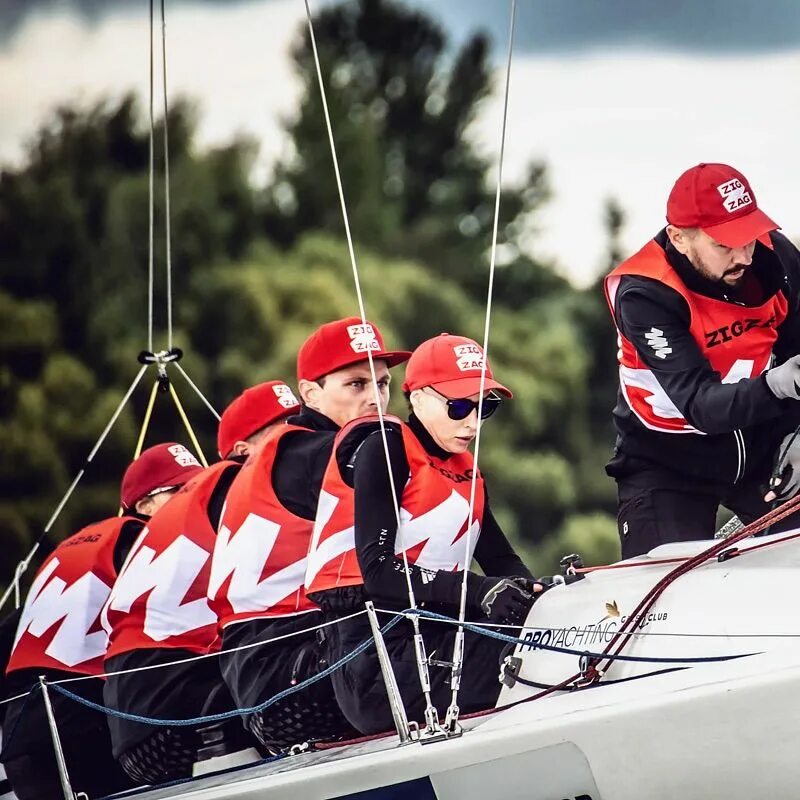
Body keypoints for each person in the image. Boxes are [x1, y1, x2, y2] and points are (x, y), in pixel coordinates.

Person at [305, 333, 542, 735]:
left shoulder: (466, 470)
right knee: (537, 657)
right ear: (417, 398)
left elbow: (502, 560)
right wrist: (478, 590)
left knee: (553, 634)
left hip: (436, 635)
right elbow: (378, 571)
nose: (472, 422)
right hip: (375, 663)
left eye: (485, 407)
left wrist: (540, 595)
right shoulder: (385, 447)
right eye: (459, 406)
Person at [208, 317, 410, 751]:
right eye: (356, 385)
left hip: (263, 676)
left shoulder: (289, 450)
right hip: (286, 677)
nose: (375, 399)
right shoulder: (308, 454)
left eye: (383, 383)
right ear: (310, 393)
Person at [102, 382, 299, 785]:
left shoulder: (164, 534)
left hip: (133, 714)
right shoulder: (229, 497)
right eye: (176, 490)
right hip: (174, 710)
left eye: (190, 485)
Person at [605, 162, 800, 559]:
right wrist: (778, 384)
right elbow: (701, 405)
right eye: (724, 245)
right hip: (668, 462)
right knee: (667, 585)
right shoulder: (645, 292)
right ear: (679, 238)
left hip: (765, 446)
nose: (743, 255)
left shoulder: (775, 255)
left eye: (748, 237)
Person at [0, 443, 198, 800]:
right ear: (144, 505)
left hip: (22, 738)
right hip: (85, 726)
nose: (196, 496)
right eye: (181, 490)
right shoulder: (145, 540)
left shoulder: (73, 548)